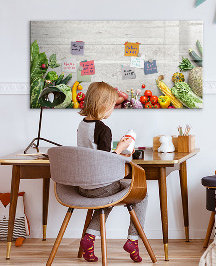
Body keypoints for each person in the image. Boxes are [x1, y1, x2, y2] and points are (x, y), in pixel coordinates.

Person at [77, 81, 147, 263]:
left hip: (83, 186)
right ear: (103, 105)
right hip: (100, 186)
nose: (113, 109)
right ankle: (133, 240)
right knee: (142, 194)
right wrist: (122, 149)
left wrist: (116, 149)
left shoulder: (82, 125)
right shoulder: (103, 129)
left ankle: (89, 238)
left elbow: (94, 154)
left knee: (108, 197)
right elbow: (105, 161)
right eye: (112, 106)